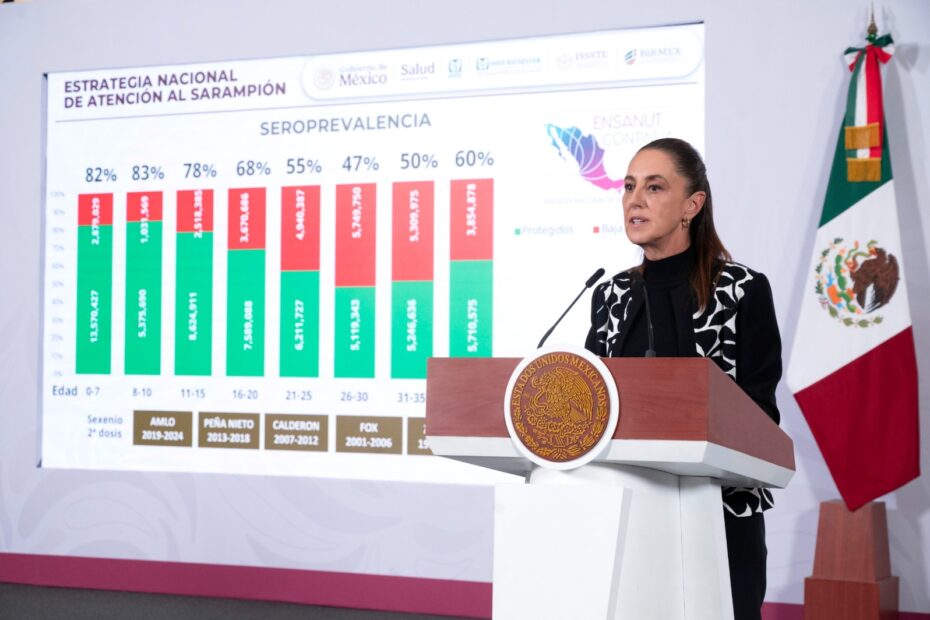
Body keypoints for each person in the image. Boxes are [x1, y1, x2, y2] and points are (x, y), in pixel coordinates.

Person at [585, 137, 782, 620]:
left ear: (692, 205)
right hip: (626, 513)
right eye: (629, 187)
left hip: (719, 515)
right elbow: (588, 407)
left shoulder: (741, 291)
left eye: (654, 187)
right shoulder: (611, 296)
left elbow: (761, 416)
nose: (634, 199)